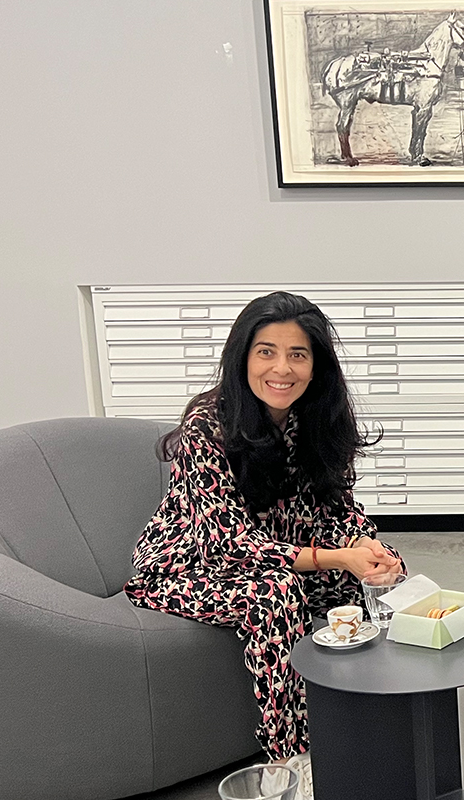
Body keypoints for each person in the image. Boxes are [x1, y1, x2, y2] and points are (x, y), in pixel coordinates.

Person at [124, 291, 405, 790]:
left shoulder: (314, 420)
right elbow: (230, 541)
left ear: (316, 366)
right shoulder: (206, 427)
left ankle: (366, 722)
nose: (282, 368)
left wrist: (369, 549)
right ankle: (293, 758)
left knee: (370, 581)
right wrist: (335, 556)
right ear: (243, 358)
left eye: (298, 354)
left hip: (280, 558)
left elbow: (339, 507)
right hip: (185, 566)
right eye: (266, 351)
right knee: (273, 596)